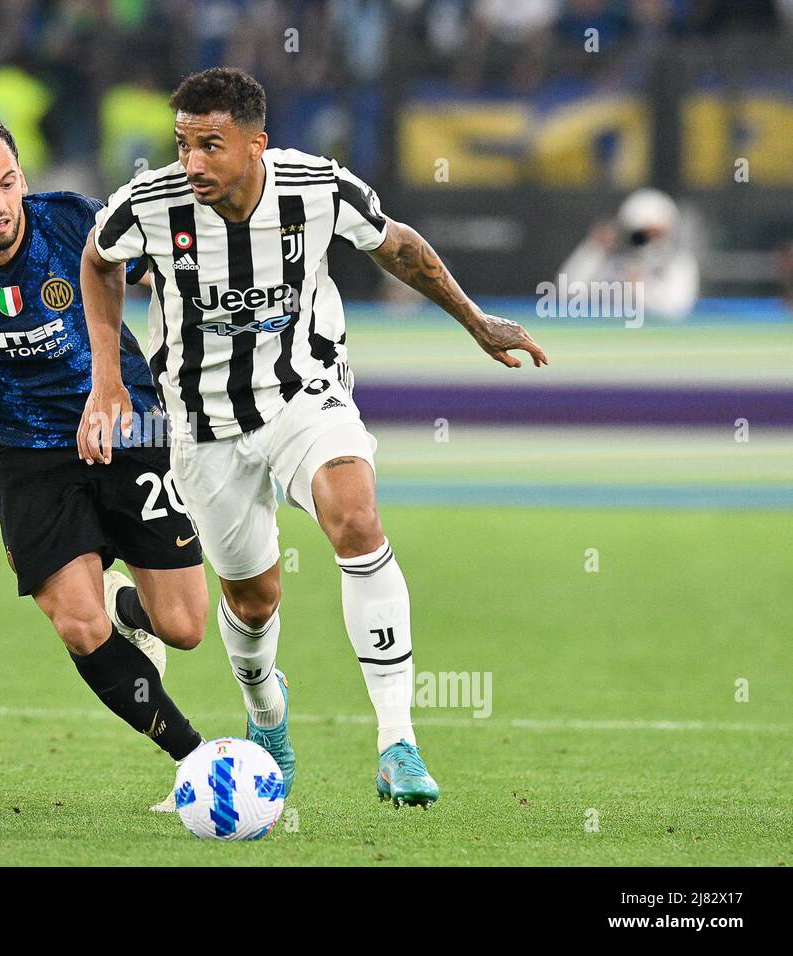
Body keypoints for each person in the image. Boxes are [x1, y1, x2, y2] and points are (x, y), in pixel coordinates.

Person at [78, 69, 548, 808]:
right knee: (254, 599)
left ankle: (399, 743)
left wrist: (476, 319)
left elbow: (399, 246)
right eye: (183, 144)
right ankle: (268, 716)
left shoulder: (318, 189)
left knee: (356, 516)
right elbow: (99, 262)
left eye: (211, 144)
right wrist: (107, 376)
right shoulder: (149, 202)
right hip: (202, 424)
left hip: (305, 395)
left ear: (256, 143)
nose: (192, 162)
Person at [0, 111, 211, 809]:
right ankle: (198, 757)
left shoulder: (74, 221)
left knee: (185, 628)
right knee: (77, 623)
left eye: (8, 183)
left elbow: (161, 271)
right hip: (27, 454)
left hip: (127, 425)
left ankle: (131, 603)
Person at [559, 187, 699, 320]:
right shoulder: (610, 259)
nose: (648, 241)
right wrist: (593, 250)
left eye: (655, 233)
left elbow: (678, 308)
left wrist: (640, 288)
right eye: (640, 234)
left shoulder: (677, 262)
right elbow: (565, 293)